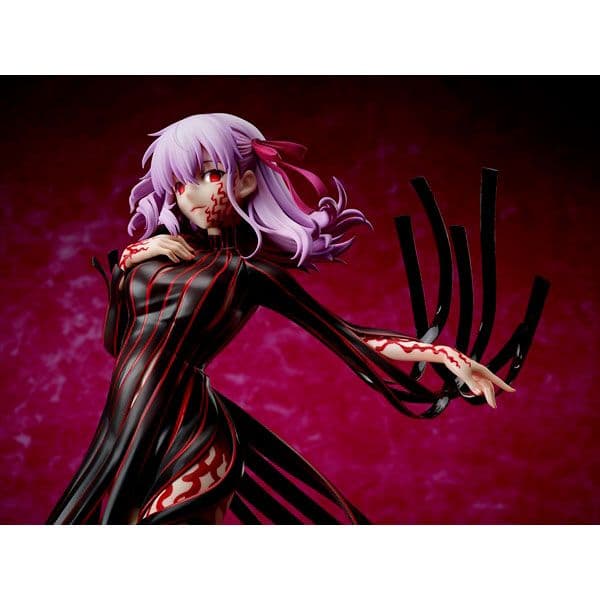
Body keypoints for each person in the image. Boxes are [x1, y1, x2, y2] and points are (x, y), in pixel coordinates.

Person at [47, 113, 513, 525]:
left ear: (246, 182)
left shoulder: (247, 273)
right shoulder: (150, 258)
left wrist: (444, 355)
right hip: (126, 428)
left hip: (194, 434)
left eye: (211, 174)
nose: (193, 194)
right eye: (181, 182)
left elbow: (348, 336)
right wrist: (128, 262)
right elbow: (118, 344)